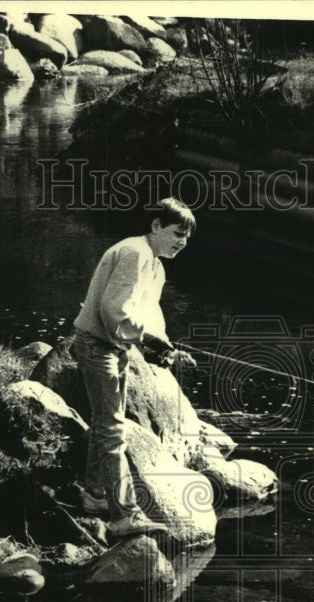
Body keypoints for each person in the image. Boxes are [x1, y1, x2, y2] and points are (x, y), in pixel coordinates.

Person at [71, 198, 197, 539]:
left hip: (115, 347)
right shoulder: (134, 253)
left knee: (104, 425)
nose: (182, 242)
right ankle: (125, 514)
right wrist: (151, 340)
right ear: (155, 226)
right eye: (176, 233)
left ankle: (95, 496)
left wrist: (164, 347)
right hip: (97, 347)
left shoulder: (156, 265)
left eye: (186, 237)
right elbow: (115, 313)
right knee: (113, 430)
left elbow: (148, 316)